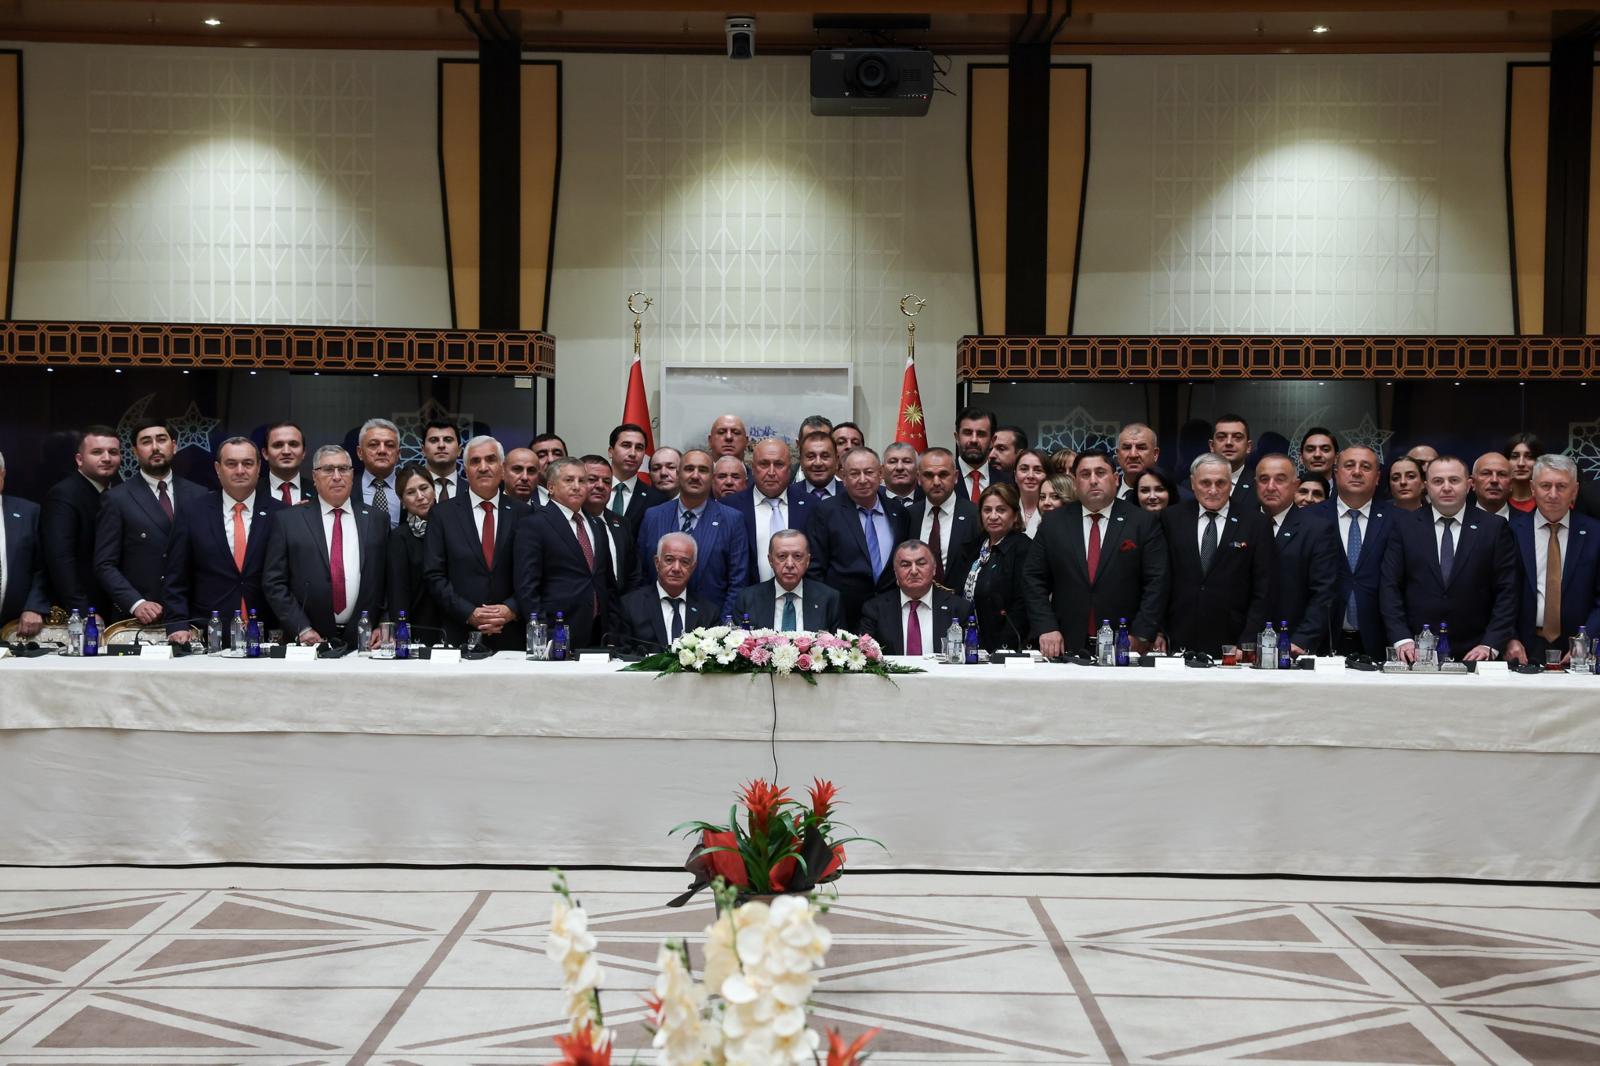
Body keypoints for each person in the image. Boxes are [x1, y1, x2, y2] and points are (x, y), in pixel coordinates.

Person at [1023, 449, 1169, 658]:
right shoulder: (1053, 523)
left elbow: (1157, 581)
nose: (1093, 480)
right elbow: (1033, 578)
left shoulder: (1142, 522)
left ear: (1115, 479)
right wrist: (1046, 627)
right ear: (1075, 482)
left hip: (1125, 643)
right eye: (1085, 474)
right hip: (1064, 642)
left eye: (1100, 473)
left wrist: (1141, 633)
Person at [1380, 456, 1517, 663]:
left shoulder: (1494, 527)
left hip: (1477, 651)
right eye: (1438, 481)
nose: (1446, 488)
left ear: (1469, 485)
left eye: (1454, 480)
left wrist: (1491, 644)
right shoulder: (1404, 525)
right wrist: (1401, 638)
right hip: (1415, 650)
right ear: (1426, 486)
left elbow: (1507, 591)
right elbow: (1390, 585)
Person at [263, 445, 389, 647]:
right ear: (314, 477)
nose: (337, 476)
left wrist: (384, 624)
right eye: (328, 470)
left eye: (343, 469)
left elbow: (389, 580)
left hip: (365, 639)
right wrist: (301, 628)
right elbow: (274, 582)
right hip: (309, 641)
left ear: (352, 474)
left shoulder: (377, 519)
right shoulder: (289, 520)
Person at [163, 436, 285, 644]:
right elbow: (176, 576)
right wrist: (177, 624)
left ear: (258, 468)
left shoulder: (282, 514)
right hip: (208, 633)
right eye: (231, 464)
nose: (240, 470)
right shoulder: (192, 512)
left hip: (270, 633)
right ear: (218, 469)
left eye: (248, 463)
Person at [1160, 453, 1274, 657]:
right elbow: (1159, 580)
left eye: (1220, 483)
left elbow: (1263, 589)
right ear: (1193, 483)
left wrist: (1247, 642)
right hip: (1177, 638)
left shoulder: (1256, 523)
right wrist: (1158, 630)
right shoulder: (1171, 518)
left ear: (1230, 484)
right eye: (1205, 483)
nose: (1213, 490)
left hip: (1233, 642)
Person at [424, 436, 532, 651]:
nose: (483, 467)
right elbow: (434, 575)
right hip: (459, 632)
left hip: (511, 634)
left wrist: (511, 609)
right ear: (465, 470)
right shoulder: (442, 514)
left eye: (490, 460)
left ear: (502, 468)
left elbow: (534, 574)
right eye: (475, 461)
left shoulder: (524, 514)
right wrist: (469, 613)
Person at [94, 419, 206, 622]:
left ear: (174, 446)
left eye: (161, 440)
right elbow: (105, 564)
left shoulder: (200, 494)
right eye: (146, 442)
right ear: (135, 451)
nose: (155, 447)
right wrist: (136, 603)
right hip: (140, 617)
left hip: (193, 614)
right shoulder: (117, 499)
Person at [512, 456, 620, 647]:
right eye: (569, 480)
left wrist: (612, 631)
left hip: (600, 633)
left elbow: (608, 583)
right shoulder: (534, 524)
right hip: (556, 631)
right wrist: (544, 634)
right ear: (551, 487)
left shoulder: (597, 524)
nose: (577, 486)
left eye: (582, 480)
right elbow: (527, 587)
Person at [1507, 455, 1600, 666]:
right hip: (1521, 646)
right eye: (1545, 486)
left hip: (1579, 648)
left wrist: (1585, 640)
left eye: (1562, 486)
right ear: (1533, 488)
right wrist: (1509, 637)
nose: (1553, 494)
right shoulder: (1510, 531)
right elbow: (1499, 593)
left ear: (1574, 491)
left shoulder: (1595, 534)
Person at [805, 446, 910, 629]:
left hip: (890, 613)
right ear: (843, 477)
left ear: (880, 473)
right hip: (843, 614)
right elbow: (815, 569)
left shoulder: (898, 512)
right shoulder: (826, 512)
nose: (862, 480)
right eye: (854, 474)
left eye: (869, 472)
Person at [635, 449, 746, 617]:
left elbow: (738, 581)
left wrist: (723, 626)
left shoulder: (732, 519)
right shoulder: (653, 516)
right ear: (678, 474)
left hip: (712, 623)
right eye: (689, 469)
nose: (695, 476)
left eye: (703, 470)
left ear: (712, 477)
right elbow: (641, 573)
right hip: (655, 620)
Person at [1312, 446, 1398, 657]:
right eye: (1349, 465)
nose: (1357, 472)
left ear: (1377, 477)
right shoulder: (1309, 518)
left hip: (1381, 641)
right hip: (1321, 639)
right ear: (1336, 473)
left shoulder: (1399, 520)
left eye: (1365, 467)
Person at [1254, 453, 1340, 655]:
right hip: (1244, 645)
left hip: (1294, 643)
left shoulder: (1317, 529)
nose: (1271, 487)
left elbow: (1324, 592)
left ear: (1295, 485)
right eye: (1264, 479)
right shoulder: (1241, 523)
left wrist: (1302, 640)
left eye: (1280, 480)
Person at [42, 425, 121, 614]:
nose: (107, 458)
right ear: (79, 459)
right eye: (97, 452)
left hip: (116, 605)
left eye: (113, 452)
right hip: (82, 608)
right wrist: (83, 611)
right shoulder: (64, 494)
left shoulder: (120, 492)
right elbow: (61, 559)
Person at [858, 540, 972, 657]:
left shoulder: (959, 608)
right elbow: (865, 656)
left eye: (921, 563)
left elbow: (971, 655)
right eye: (905, 565)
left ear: (934, 569)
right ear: (895, 572)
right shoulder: (875, 609)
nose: (913, 571)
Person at [960, 484, 1032, 652]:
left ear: (1015, 515)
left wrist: (1002, 647)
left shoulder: (1024, 548)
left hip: (1004, 646)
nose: (993, 516)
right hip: (973, 641)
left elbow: (1022, 605)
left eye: (1001, 510)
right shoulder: (976, 546)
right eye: (987, 510)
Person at [725, 438, 807, 582]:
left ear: (789, 468)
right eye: (764, 464)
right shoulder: (729, 507)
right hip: (746, 595)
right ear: (752, 468)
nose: (771, 472)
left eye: (779, 464)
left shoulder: (810, 506)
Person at [618, 531, 718, 649]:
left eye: (684, 562)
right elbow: (622, 654)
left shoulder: (709, 612)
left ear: (693, 567)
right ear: (657, 563)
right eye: (669, 560)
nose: (676, 568)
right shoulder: (630, 606)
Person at [734, 529, 842, 632]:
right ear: (770, 560)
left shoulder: (829, 599)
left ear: (808, 560)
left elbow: (841, 643)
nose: (790, 564)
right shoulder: (747, 599)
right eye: (782, 556)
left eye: (797, 556)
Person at [905, 447, 980, 589]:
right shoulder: (908, 515)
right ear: (919, 478)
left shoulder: (975, 515)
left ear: (956, 477)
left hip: (960, 600)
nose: (936, 482)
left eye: (943, 474)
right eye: (928, 475)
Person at [385, 465, 443, 640]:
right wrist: (402, 633)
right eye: (410, 492)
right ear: (402, 501)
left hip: (456, 624)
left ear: (434, 490)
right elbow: (398, 592)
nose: (420, 496)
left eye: (424, 488)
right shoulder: (399, 537)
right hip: (419, 628)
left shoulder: (453, 526)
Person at [0, 449, 50, 637]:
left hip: (15, 627)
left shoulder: (29, 512)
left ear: (2, 475)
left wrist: (34, 606)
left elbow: (43, 567)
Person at [581, 454, 644, 595]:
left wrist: (627, 604)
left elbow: (633, 573)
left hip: (618, 605)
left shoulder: (622, 524)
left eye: (607, 481)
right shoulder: (568, 522)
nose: (600, 486)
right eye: (592, 479)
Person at [605, 423, 667, 536]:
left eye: (639, 448)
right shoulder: (590, 489)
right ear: (611, 451)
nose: (633, 453)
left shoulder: (656, 500)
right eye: (626, 445)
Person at [954, 407, 1012, 504]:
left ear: (992, 441)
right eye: (967, 433)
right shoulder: (942, 478)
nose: (974, 440)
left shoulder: (1006, 482)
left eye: (981, 434)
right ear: (957, 438)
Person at [357, 417, 403, 528]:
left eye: (389, 445)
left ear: (398, 453)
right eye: (373, 445)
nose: (382, 450)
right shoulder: (347, 488)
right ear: (360, 452)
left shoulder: (409, 486)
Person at [1205, 414, 1256, 510]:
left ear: (1248, 447)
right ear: (1211, 446)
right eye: (1221, 437)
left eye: (1237, 437)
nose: (1229, 442)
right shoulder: (1191, 486)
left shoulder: (1260, 485)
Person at [262, 421, 313, 505]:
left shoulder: (319, 492)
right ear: (265, 454)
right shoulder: (251, 491)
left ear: (303, 452)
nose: (286, 451)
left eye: (293, 444)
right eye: (278, 445)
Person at [788, 432, 841, 504]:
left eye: (825, 456)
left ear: (837, 461)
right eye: (811, 457)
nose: (818, 463)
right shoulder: (788, 495)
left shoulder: (851, 493)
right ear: (801, 461)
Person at [422, 419, 467, 502]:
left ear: (459, 450)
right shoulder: (409, 489)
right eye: (433, 440)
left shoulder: (473, 490)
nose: (441, 445)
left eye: (448, 440)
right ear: (423, 450)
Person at [1114, 423, 1159, 502]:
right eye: (1127, 448)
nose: (1133, 455)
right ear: (1118, 455)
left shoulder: (1177, 497)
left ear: (1155, 454)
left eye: (1141, 448)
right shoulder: (1105, 492)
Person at [1012, 448, 1049, 536]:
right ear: (1015, 476)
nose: (1030, 476)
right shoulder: (1006, 508)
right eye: (1024, 469)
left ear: (1048, 476)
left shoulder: (1055, 509)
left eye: (1038, 470)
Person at [1505, 432, 1542, 514]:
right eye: (1514, 457)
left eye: (1529, 457)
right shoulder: (1497, 502)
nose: (1521, 463)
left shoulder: (1550, 503)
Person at [1470, 452, 1513, 520]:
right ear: (1473, 482)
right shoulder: (1459, 520)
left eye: (1502, 474)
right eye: (1486, 473)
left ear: (1511, 484)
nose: (1494, 480)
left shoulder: (1529, 522)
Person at [529, 432, 568, 507]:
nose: (551, 460)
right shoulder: (523, 501)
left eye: (557, 454)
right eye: (542, 455)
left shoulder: (582, 499)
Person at [881, 441, 921, 505]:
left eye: (907, 461)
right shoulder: (871, 500)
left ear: (918, 469)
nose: (899, 467)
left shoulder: (930, 499)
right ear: (882, 471)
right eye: (893, 462)